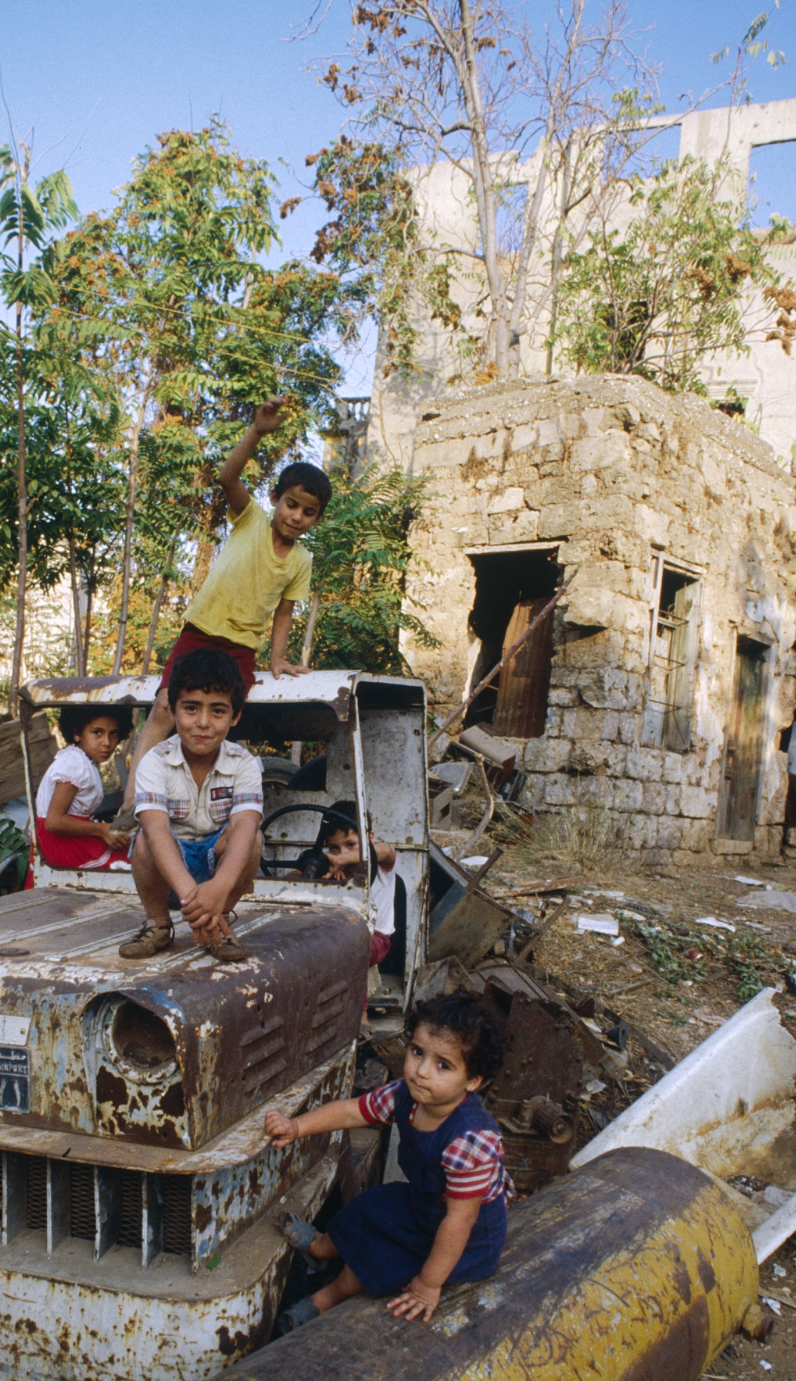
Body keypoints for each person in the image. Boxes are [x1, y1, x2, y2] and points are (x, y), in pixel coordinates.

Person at [113, 397, 330, 829]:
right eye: (291, 505)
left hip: (241, 648)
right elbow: (228, 475)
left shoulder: (301, 560)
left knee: (218, 720)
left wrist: (276, 659)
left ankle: (206, 804)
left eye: (309, 512)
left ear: (316, 519)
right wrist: (257, 431)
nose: (297, 516)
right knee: (163, 708)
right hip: (201, 631)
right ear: (276, 500)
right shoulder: (250, 519)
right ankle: (132, 798)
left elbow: (284, 613)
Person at [264, 991, 514, 1332]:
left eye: (444, 1065)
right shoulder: (404, 1095)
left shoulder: (470, 1140)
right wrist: (297, 1126)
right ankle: (322, 1247)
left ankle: (325, 1300)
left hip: (466, 1238)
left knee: (386, 1258)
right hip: (424, 1203)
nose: (422, 1071)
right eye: (417, 1052)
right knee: (368, 1206)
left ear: (472, 1081)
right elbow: (353, 1111)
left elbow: (459, 1222)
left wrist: (428, 1285)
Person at [119, 648, 264, 963]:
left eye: (218, 711)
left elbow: (244, 824)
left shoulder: (244, 764)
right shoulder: (154, 761)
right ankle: (157, 924)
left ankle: (220, 921)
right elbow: (156, 828)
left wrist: (217, 891)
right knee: (144, 840)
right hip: (170, 866)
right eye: (191, 708)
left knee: (252, 838)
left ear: (235, 716)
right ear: (171, 711)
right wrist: (192, 898)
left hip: (218, 868)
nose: (203, 723)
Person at [34, 705, 133, 872]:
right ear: (77, 733)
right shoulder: (75, 763)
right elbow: (54, 821)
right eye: (97, 733)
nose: (107, 743)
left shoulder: (82, 760)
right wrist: (102, 830)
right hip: (62, 845)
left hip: (71, 839)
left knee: (132, 848)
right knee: (137, 866)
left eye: (113, 733)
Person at [318, 801, 398, 968]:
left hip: (374, 937)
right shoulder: (332, 869)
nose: (343, 852)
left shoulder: (379, 861)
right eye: (334, 847)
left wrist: (341, 859)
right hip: (338, 931)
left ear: (370, 838)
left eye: (350, 845)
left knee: (347, 952)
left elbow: (386, 850)